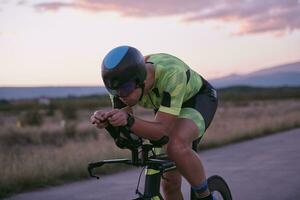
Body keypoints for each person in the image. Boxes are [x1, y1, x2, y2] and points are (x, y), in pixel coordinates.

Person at [91, 45, 218, 200]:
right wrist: (109, 122)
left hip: (196, 99)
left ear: (140, 79)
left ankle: (206, 197)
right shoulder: (120, 84)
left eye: (124, 90)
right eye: (113, 91)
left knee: (175, 145)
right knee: (169, 185)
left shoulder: (172, 73)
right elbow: (127, 132)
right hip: (166, 107)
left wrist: (128, 120)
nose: (120, 96)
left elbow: (161, 132)